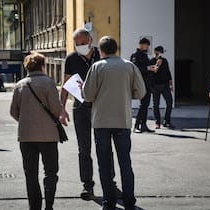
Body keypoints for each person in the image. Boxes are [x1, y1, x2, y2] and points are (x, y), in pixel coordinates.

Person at [83, 36, 146, 210]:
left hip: (101, 121)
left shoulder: (97, 67)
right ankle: (130, 202)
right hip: (122, 120)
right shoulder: (129, 66)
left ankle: (108, 202)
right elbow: (141, 92)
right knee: (125, 162)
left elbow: (88, 95)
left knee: (104, 163)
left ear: (101, 51)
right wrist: (126, 94)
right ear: (116, 49)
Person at [10, 52, 62, 210]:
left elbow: (13, 111)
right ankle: (49, 206)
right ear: (42, 66)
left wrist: (26, 121)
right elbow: (56, 109)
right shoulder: (49, 83)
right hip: (48, 137)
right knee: (51, 172)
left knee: (31, 175)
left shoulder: (20, 85)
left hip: (26, 137)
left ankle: (35, 207)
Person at [59, 28, 100, 200]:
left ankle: (110, 183)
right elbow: (66, 84)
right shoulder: (72, 58)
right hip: (81, 108)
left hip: (100, 107)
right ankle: (87, 186)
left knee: (104, 147)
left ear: (90, 40)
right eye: (77, 44)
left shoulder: (101, 55)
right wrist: (62, 108)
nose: (79, 46)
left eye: (82, 43)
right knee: (84, 149)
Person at [130, 38, 156, 133]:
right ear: (141, 45)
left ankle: (143, 125)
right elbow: (135, 68)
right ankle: (137, 125)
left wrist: (153, 67)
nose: (148, 47)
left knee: (145, 105)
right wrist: (148, 68)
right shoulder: (135, 55)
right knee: (143, 105)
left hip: (147, 83)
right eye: (147, 45)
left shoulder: (144, 55)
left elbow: (147, 68)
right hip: (140, 83)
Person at [150, 46, 174, 129]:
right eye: (158, 52)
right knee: (156, 105)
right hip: (155, 85)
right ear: (155, 52)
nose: (160, 54)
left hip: (165, 85)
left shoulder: (165, 61)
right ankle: (157, 122)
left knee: (170, 102)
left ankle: (167, 121)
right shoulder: (151, 61)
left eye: (161, 52)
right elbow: (153, 72)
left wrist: (171, 84)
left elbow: (168, 72)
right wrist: (157, 64)